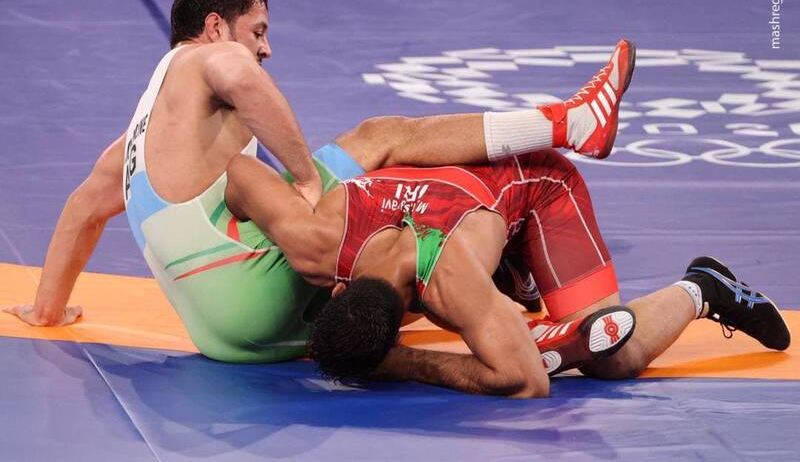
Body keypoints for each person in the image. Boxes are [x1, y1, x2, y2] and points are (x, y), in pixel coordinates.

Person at [4, 0, 632, 363]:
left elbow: (82, 212)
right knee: (385, 148)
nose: (266, 49)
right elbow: (240, 78)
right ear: (216, 26)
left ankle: (525, 323)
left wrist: (47, 311)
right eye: (258, 31)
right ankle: (571, 123)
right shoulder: (204, 58)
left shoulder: (137, 141)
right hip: (251, 292)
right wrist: (305, 176)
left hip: (230, 342)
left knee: (368, 274)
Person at [223, 144, 791, 398]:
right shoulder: (316, 237)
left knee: (613, 357)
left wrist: (403, 363)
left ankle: (703, 288)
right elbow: (239, 173)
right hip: (463, 190)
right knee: (520, 321)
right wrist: (300, 188)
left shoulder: (449, 280)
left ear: (337, 289)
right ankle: (514, 287)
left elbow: (526, 383)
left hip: (536, 186)